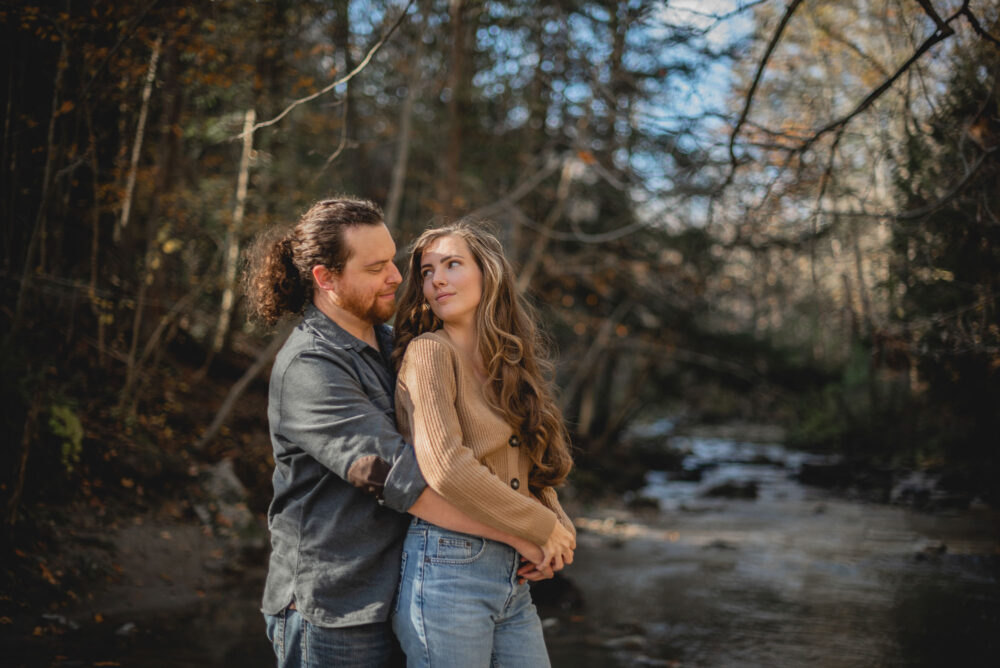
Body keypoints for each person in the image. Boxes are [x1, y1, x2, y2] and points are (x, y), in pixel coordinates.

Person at [244, 199, 567, 668]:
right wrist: (520, 534)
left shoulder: (395, 344)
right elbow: (405, 480)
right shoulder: (310, 367)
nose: (398, 277)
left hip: (404, 587)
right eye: (376, 268)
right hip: (335, 607)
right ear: (326, 279)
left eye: (393, 261)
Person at [390, 223, 577, 667]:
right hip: (448, 568)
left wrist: (559, 529)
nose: (436, 279)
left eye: (452, 264)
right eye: (427, 271)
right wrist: (538, 527)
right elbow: (446, 467)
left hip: (512, 578)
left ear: (487, 274)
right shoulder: (429, 352)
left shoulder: (507, 363)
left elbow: (529, 466)